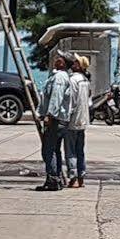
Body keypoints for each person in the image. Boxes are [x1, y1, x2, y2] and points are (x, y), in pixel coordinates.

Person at [37, 52, 77, 191]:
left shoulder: (60, 77)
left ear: (63, 63)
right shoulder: (61, 76)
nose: (56, 59)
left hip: (56, 120)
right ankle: (57, 178)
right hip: (60, 119)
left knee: (49, 150)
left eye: (59, 58)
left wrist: (49, 115)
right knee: (55, 150)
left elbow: (56, 97)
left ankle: (53, 179)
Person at [64, 52, 91, 188]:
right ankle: (81, 176)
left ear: (78, 66)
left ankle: (73, 175)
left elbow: (71, 101)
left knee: (70, 150)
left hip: (73, 120)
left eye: (76, 62)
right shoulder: (85, 81)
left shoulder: (73, 80)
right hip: (83, 120)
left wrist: (66, 117)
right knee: (80, 150)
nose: (73, 63)